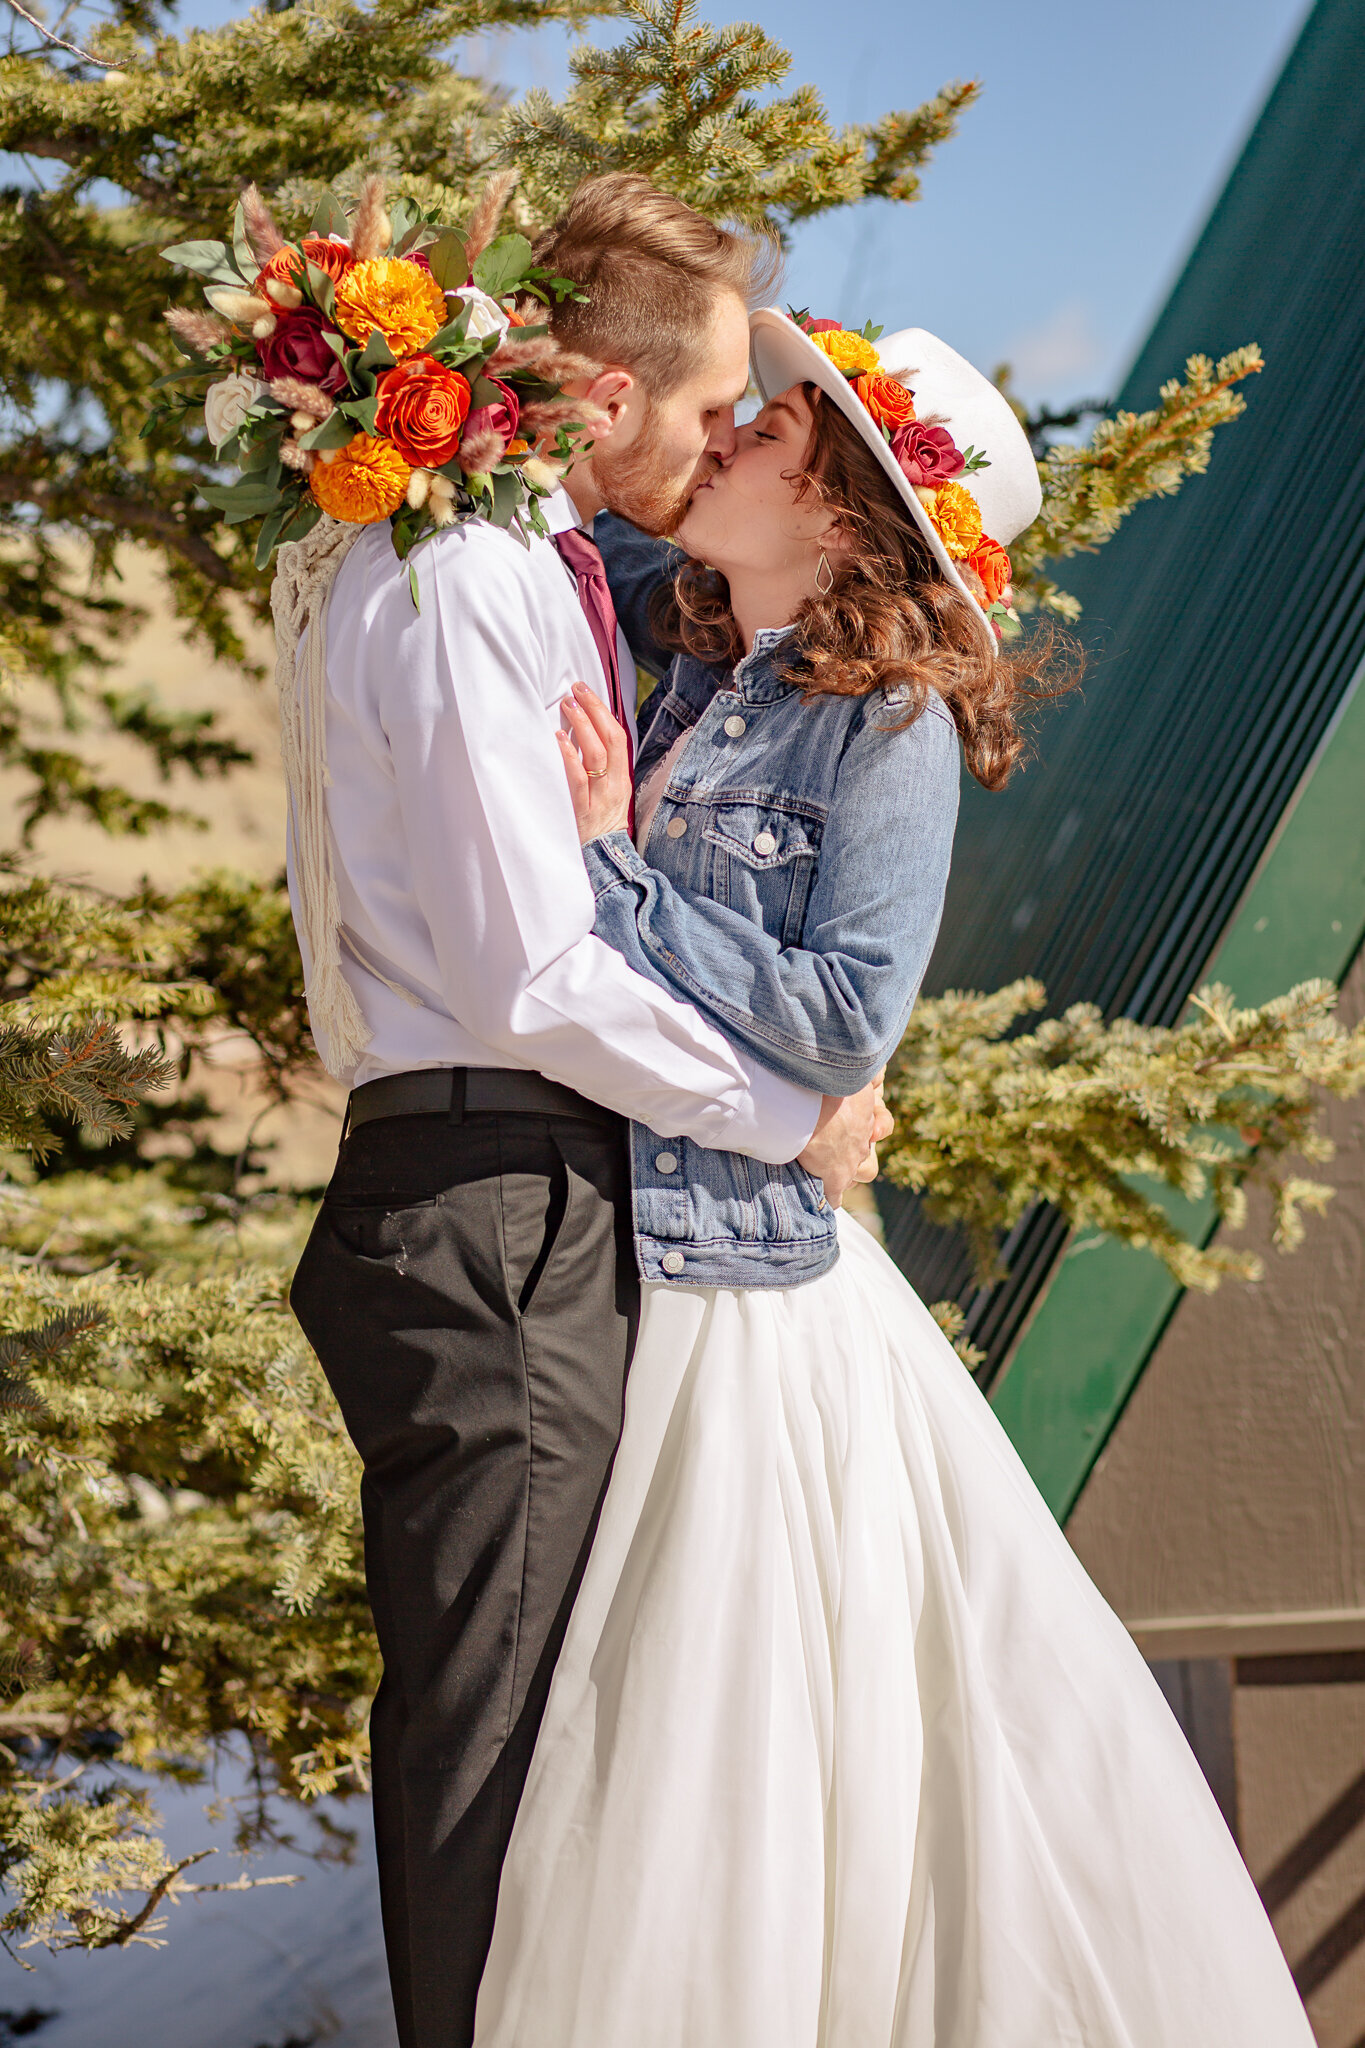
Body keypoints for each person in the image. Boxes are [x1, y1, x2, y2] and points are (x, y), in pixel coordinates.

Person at [472, 314, 1316, 2046]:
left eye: (771, 426)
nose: (726, 435)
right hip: (644, 1238)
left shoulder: (890, 728)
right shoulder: (696, 662)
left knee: (734, 1725)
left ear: (846, 512)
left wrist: (612, 874)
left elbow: (848, 1021)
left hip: (745, 1271)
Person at [286, 180, 887, 2048]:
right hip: (492, 1196)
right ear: (605, 397)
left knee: (529, 1728)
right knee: (503, 1747)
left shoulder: (454, 559)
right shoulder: (465, 577)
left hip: (493, 1183)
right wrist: (786, 1115)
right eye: (713, 410)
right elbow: (530, 971)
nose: (724, 442)